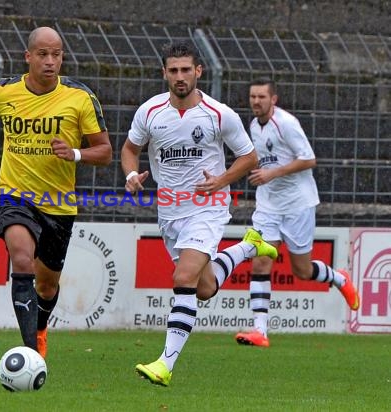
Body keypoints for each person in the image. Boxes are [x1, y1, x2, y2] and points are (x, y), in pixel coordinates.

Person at [121, 42, 278, 387]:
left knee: (183, 276)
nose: (180, 77)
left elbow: (249, 157)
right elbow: (130, 149)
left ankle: (165, 364)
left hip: (207, 207)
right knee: (203, 288)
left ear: (198, 72)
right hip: (169, 210)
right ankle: (249, 247)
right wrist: (131, 175)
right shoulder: (149, 112)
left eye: (185, 70)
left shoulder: (219, 114)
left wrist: (221, 180)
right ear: (165, 73)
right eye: (173, 70)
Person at [0, 27, 112, 358]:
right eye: (43, 54)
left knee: (46, 285)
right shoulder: (5, 92)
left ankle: (39, 331)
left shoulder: (79, 98)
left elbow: (105, 151)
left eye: (56, 54)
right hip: (15, 194)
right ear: (28, 57)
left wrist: (76, 153)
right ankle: (29, 354)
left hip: (58, 205)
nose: (50, 61)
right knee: (22, 258)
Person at [234, 78, 360, 348]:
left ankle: (339, 278)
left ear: (273, 99)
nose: (256, 102)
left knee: (302, 270)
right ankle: (260, 331)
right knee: (260, 261)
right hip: (268, 205)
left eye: (261, 97)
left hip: (297, 204)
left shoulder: (287, 124)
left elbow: (309, 159)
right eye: (253, 97)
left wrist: (272, 173)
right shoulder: (254, 126)